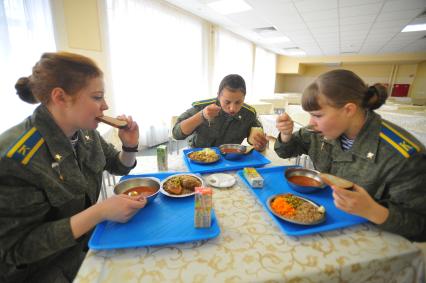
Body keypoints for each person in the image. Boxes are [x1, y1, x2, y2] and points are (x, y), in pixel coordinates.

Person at [0, 52, 147, 282]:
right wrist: (100, 212)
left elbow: (117, 165)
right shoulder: (16, 159)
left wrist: (129, 146)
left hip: (88, 247)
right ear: (60, 97)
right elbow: (15, 250)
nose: (105, 105)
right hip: (44, 271)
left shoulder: (84, 131)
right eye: (97, 97)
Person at [274, 69, 426, 241]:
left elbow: (421, 225)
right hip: (320, 225)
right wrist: (286, 135)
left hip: (370, 240)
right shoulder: (319, 131)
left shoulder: (403, 157)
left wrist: (373, 210)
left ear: (348, 110)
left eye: (317, 115)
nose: (311, 122)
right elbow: (285, 151)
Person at [172, 74, 268, 151]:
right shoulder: (202, 107)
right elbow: (176, 134)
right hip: (198, 158)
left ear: (244, 97)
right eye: (227, 102)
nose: (232, 108)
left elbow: (257, 143)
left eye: (238, 102)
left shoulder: (249, 114)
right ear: (218, 96)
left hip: (230, 160)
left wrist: (261, 145)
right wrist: (201, 115)